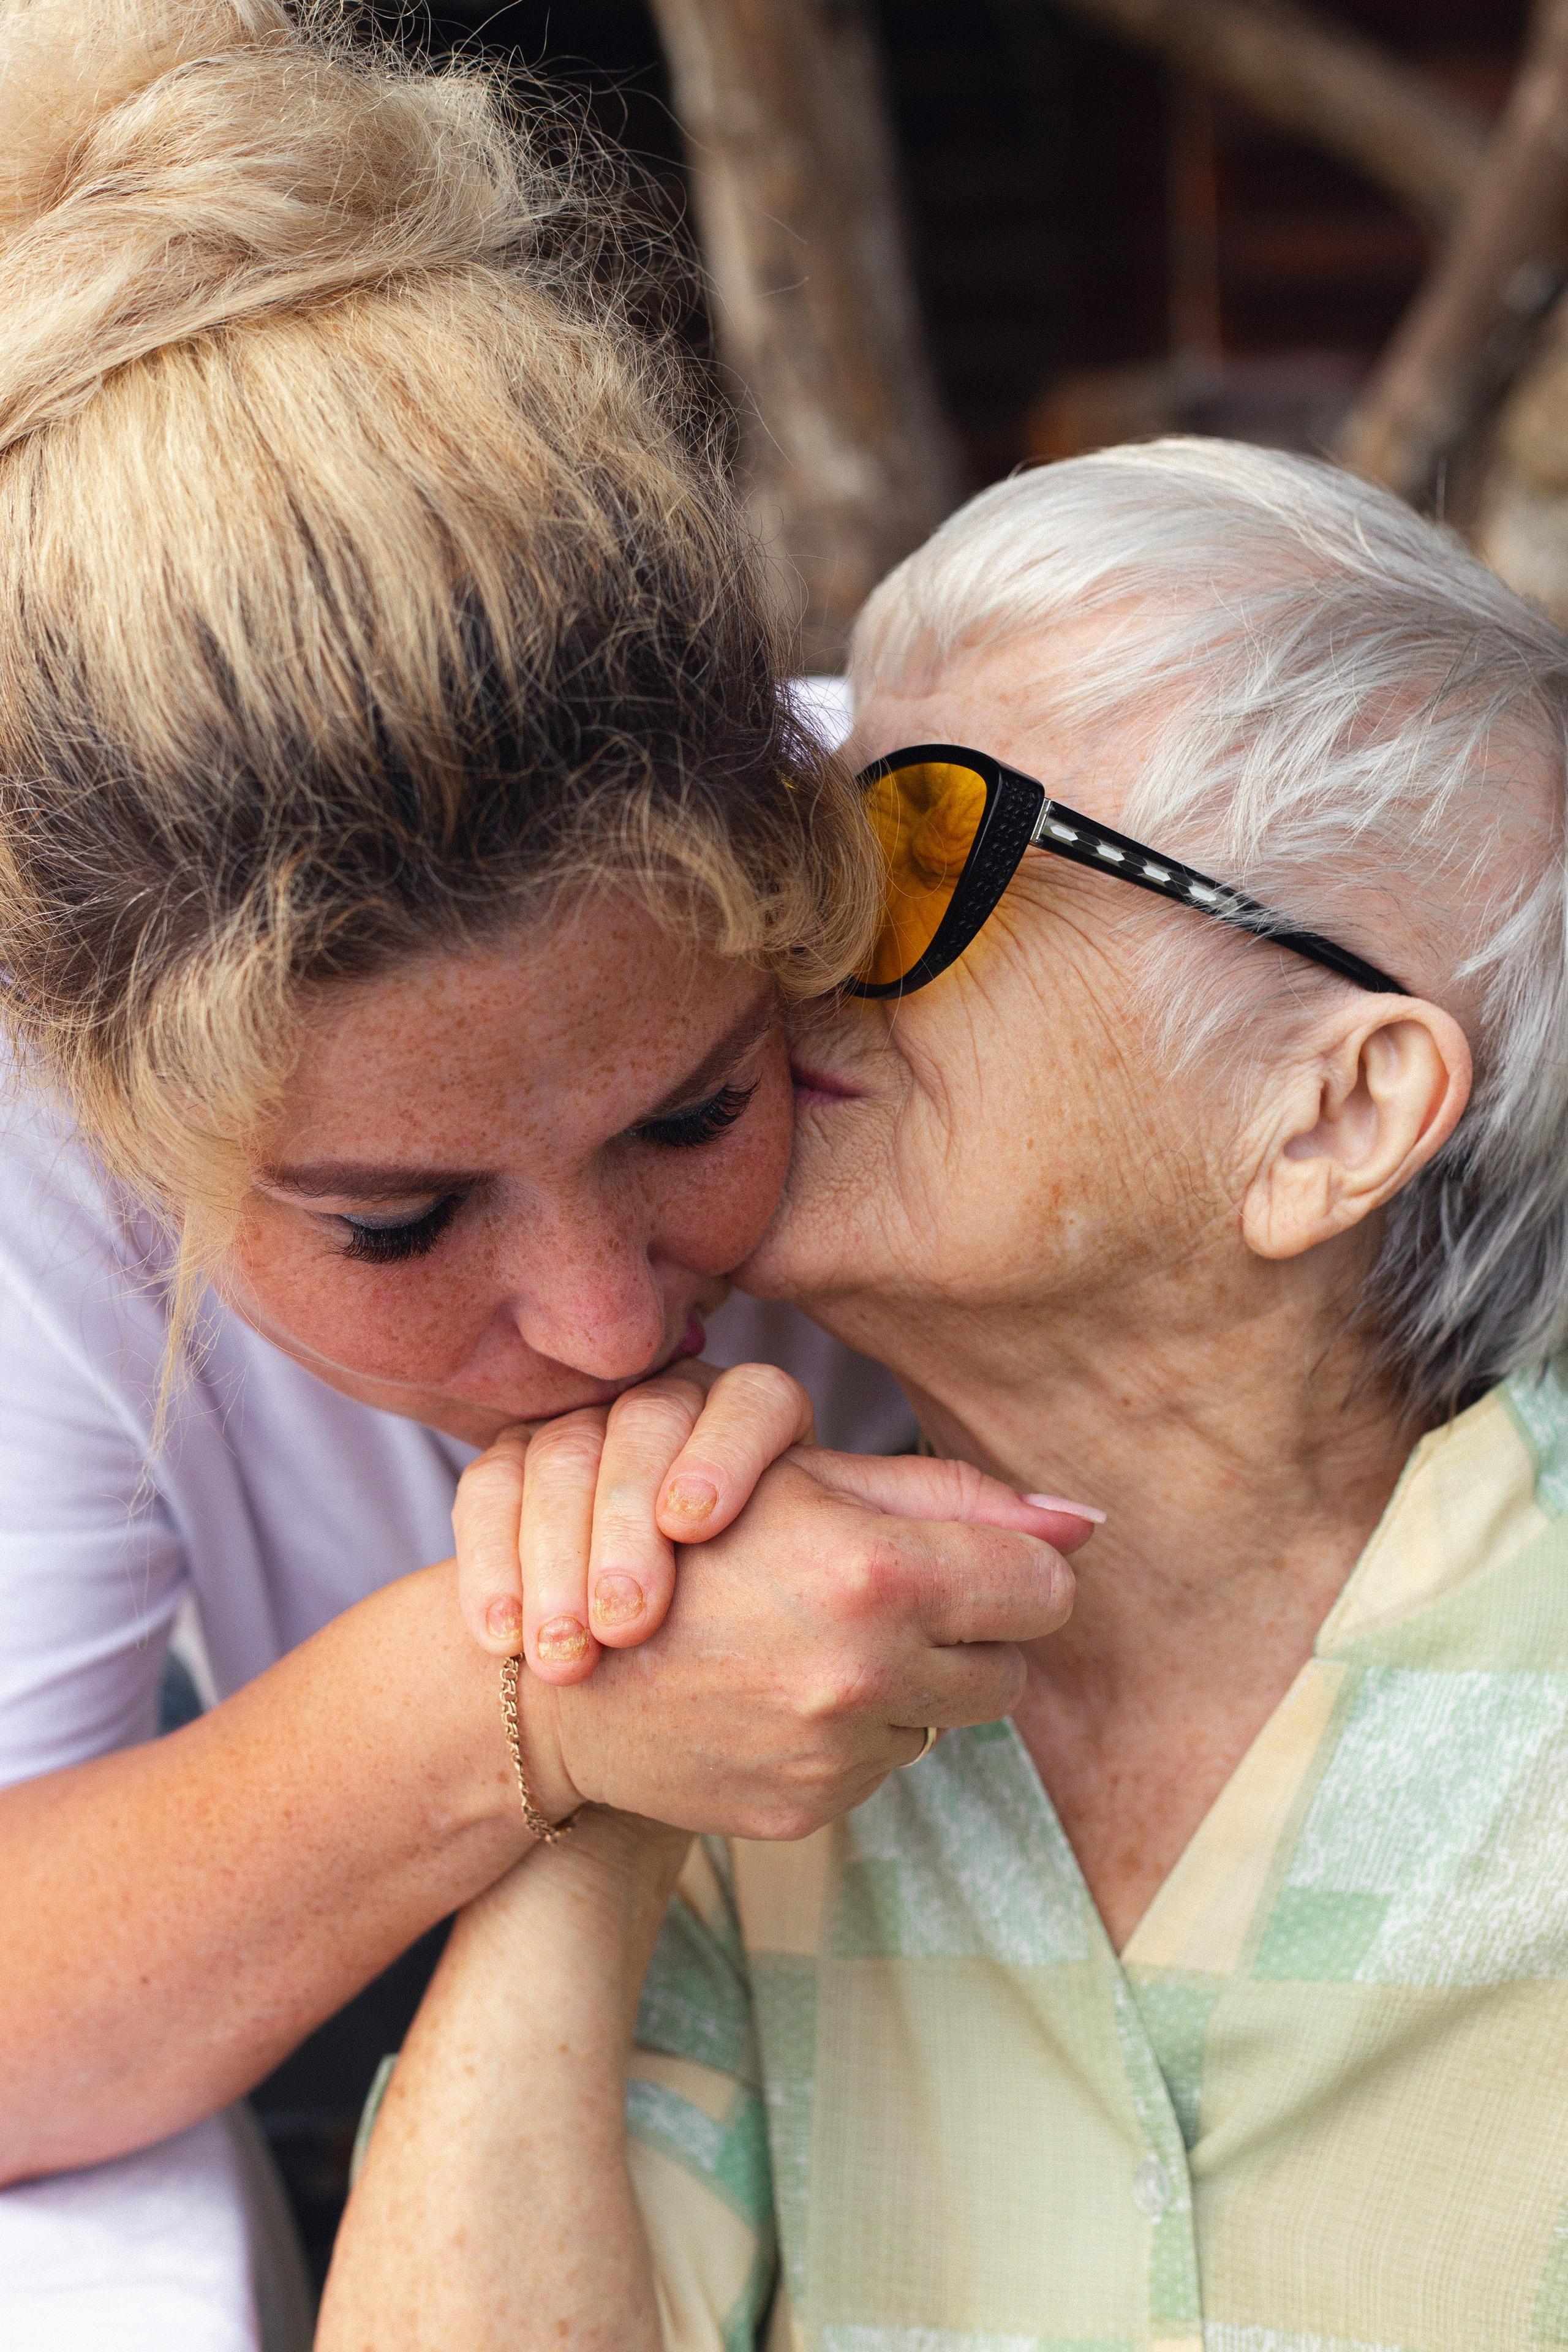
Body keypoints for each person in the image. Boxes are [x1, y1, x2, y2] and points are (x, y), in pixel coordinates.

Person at [0, 7, 1084, 2345]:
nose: (605, 1319)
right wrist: (512, 1706)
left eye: (700, 1110)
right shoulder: (24, 1141)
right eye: (395, 1222)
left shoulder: (979, 874)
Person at [323, 439, 1568, 2352]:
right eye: (798, 838)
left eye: (919, 848)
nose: (784, 932)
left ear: (1333, 1112)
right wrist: (590, 1741)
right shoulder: (758, 1694)